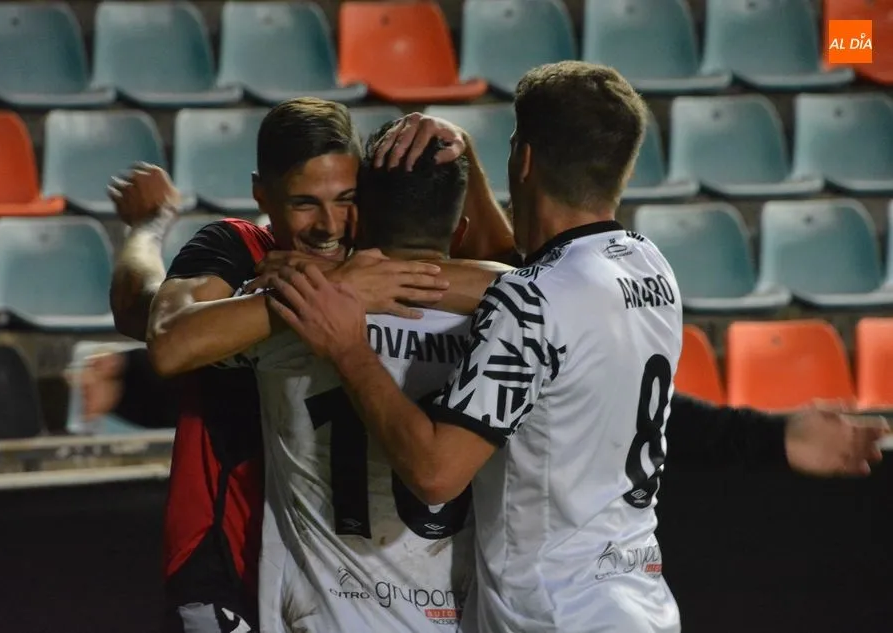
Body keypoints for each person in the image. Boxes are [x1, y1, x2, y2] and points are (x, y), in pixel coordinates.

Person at [264, 62, 889, 633]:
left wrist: (349, 348)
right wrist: (771, 438)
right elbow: (567, 319)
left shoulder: (529, 304)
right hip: (640, 604)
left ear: (526, 160)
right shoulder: (651, 271)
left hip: (554, 616)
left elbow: (434, 474)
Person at [106, 100, 455, 633]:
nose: (328, 224)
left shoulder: (379, 263)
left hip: (337, 588)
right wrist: (149, 229)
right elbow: (164, 336)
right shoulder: (238, 249)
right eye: (303, 203)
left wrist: (461, 146)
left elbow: (516, 274)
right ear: (261, 194)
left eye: (346, 198)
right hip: (227, 566)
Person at [224, 125, 490, 631]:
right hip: (457, 618)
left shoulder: (295, 311)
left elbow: (170, 344)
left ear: (359, 221)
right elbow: (528, 277)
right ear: (460, 232)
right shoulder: (511, 325)